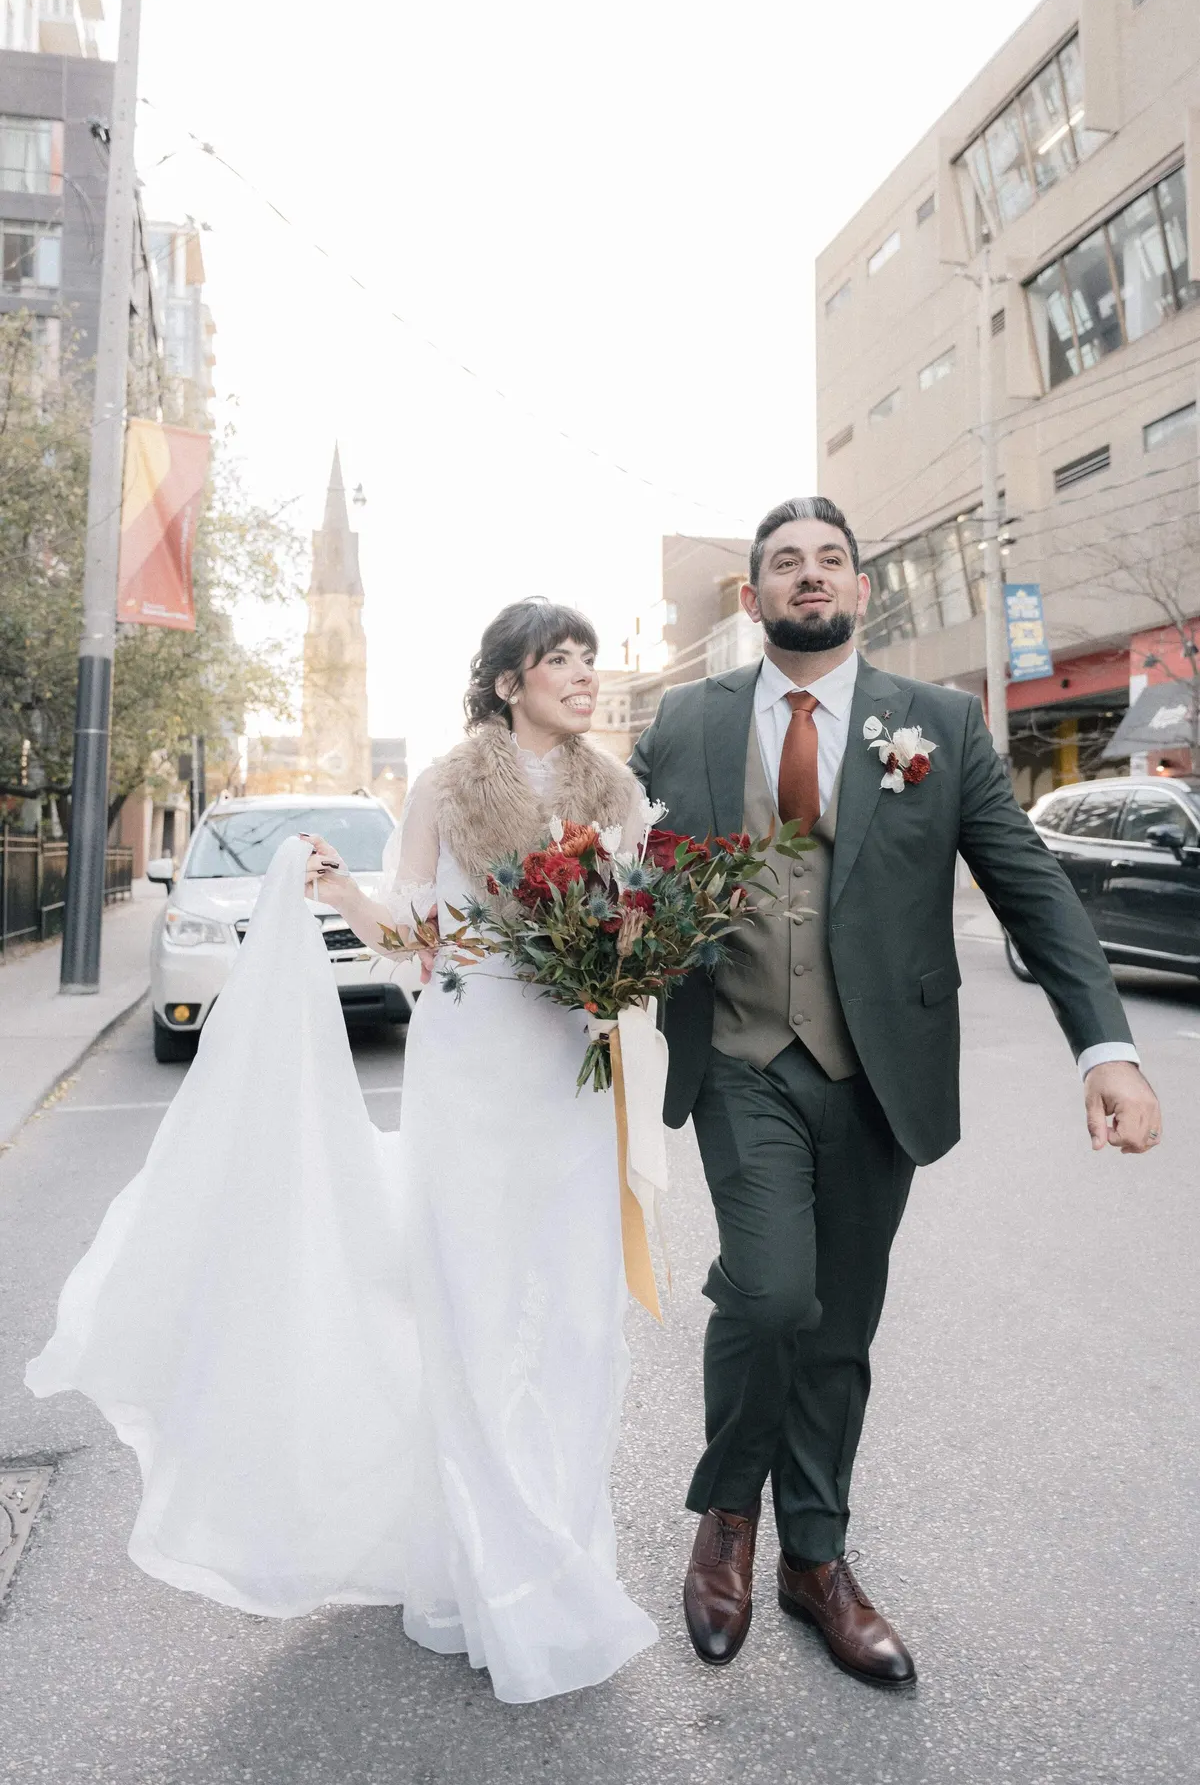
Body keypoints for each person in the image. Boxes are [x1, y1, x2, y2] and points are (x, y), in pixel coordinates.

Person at [28, 599, 657, 1706]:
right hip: (470, 1076)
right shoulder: (450, 787)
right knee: (470, 1311)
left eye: (588, 662)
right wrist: (337, 891)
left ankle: (559, 1541)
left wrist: (629, 960)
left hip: (569, 1076)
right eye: (559, 661)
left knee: (572, 1313)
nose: (582, 677)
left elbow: (638, 925)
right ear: (508, 680)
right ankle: (490, 1568)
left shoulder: (618, 795)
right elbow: (415, 935)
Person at [630, 495, 1162, 1686]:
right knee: (769, 1296)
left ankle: (816, 1557)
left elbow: (1030, 890)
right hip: (739, 1058)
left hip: (880, 1072)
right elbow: (610, 853)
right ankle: (728, 1518)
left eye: (830, 561)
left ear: (863, 589)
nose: (808, 578)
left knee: (840, 1330)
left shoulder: (940, 724)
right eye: (784, 564)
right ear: (754, 596)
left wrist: (1107, 1048)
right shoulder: (682, 724)